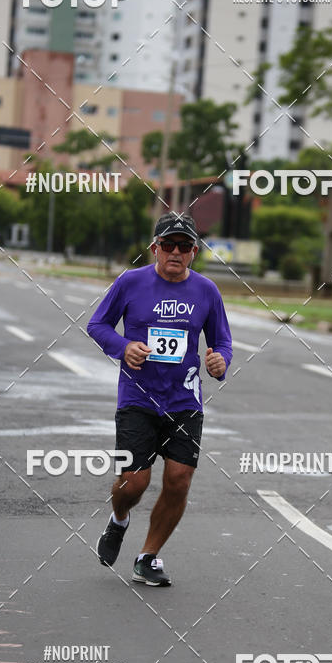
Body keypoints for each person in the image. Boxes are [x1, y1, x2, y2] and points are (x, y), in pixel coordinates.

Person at [88, 212, 233, 587]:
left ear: (194, 252)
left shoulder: (206, 291)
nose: (175, 252)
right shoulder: (130, 283)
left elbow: (222, 343)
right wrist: (123, 347)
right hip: (137, 399)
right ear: (154, 248)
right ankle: (119, 520)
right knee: (133, 484)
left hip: (185, 401)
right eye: (168, 245)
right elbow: (97, 325)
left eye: (184, 246)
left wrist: (220, 361)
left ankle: (147, 556)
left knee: (179, 481)